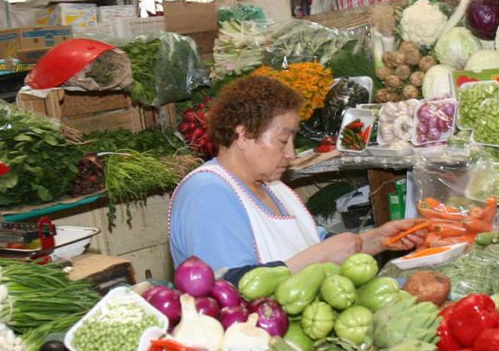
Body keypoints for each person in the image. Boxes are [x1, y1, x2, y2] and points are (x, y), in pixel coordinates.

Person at [168, 75, 424, 283]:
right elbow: (228, 287)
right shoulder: (207, 193)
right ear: (243, 135)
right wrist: (318, 259)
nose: (291, 154)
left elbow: (311, 244)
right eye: (282, 140)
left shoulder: (275, 188)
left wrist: (375, 240)